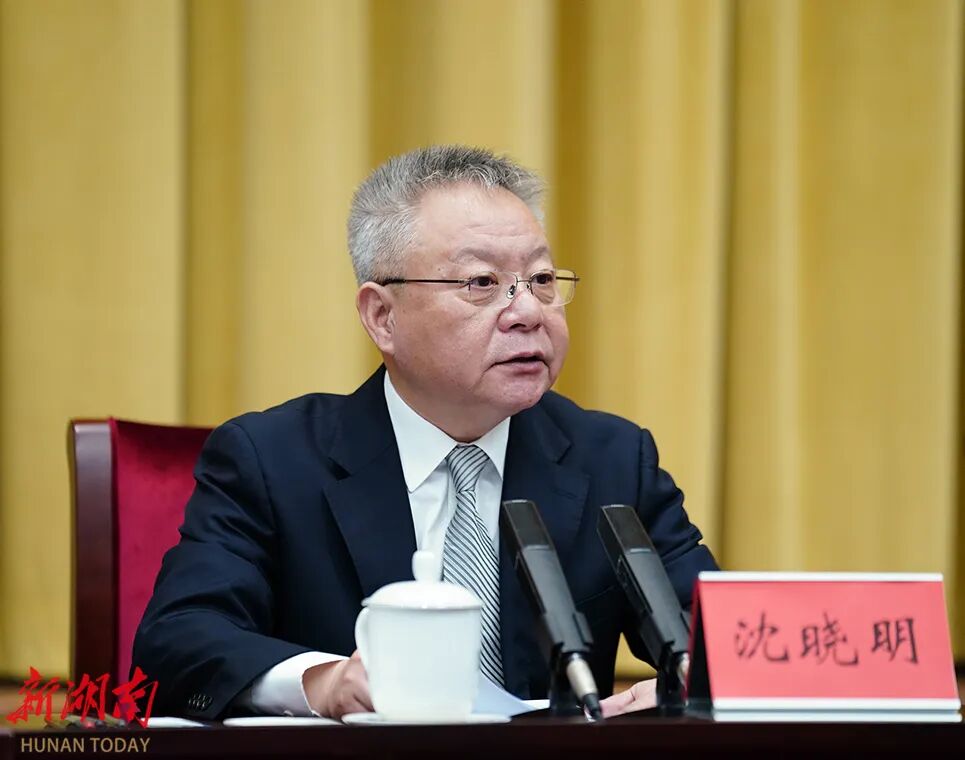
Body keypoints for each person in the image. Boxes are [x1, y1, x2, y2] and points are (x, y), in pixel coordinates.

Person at [132, 145, 718, 720]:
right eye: (481, 282)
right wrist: (321, 682)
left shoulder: (613, 460)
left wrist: (692, 682)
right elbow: (178, 640)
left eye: (541, 279)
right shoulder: (272, 460)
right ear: (382, 317)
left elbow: (717, 632)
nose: (528, 312)